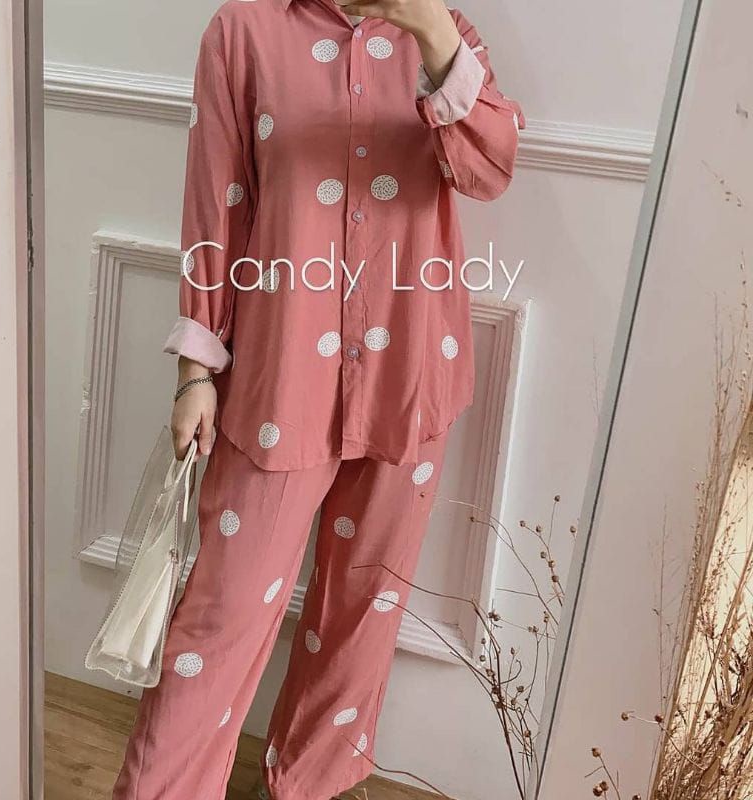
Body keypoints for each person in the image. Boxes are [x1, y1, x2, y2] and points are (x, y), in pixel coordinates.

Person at [112, 0, 523, 797]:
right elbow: (217, 203)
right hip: (279, 380)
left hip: (410, 376)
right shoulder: (245, 31)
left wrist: (432, 32)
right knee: (222, 620)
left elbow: (490, 169)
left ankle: (307, 785)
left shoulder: (442, 28)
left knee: (362, 614)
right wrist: (196, 370)